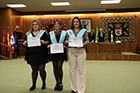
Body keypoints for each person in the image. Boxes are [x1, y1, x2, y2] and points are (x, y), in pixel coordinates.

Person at [23, 20, 49, 91]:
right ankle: (33, 84)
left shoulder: (43, 33)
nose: (35, 26)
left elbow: (48, 41)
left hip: (41, 54)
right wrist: (24, 43)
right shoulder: (28, 34)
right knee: (34, 70)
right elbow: (24, 44)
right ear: (32, 26)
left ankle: (44, 83)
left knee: (41, 69)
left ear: (38, 25)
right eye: (33, 24)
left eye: (36, 24)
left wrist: (44, 42)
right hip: (32, 54)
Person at [66, 17, 89, 93]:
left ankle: (81, 89)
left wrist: (82, 44)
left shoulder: (83, 31)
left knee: (81, 70)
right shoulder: (69, 32)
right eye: (74, 22)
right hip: (71, 51)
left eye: (77, 22)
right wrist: (66, 42)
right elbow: (66, 41)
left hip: (81, 51)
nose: (76, 23)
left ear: (79, 23)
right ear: (72, 23)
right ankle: (74, 88)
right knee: (72, 70)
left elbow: (87, 40)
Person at [47, 21, 67, 91]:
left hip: (61, 52)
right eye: (55, 24)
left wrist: (65, 44)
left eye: (58, 24)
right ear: (54, 26)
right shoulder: (51, 33)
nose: (57, 25)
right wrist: (48, 45)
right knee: (55, 67)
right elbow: (49, 41)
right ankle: (57, 83)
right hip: (53, 52)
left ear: (60, 26)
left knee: (59, 67)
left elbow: (66, 41)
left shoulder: (64, 33)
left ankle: (61, 83)